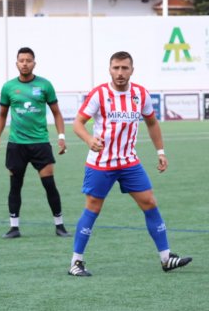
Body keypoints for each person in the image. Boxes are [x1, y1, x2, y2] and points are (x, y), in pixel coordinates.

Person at [68, 51, 192, 277]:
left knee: (150, 202)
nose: (120, 73)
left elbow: (152, 123)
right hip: (101, 164)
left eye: (125, 68)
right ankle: (76, 262)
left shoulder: (140, 94)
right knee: (93, 208)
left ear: (132, 70)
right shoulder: (100, 94)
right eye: (116, 68)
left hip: (129, 162)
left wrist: (160, 151)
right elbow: (77, 123)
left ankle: (166, 258)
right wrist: (89, 139)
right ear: (110, 69)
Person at [0, 47, 69, 239]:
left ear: (34, 63)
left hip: (40, 143)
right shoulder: (8, 87)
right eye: (21, 60)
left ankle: (59, 225)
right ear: (16, 63)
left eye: (28, 60)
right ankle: (14, 227)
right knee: (15, 185)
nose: (25, 63)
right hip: (16, 145)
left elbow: (57, 113)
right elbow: (2, 115)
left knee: (49, 185)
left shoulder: (45, 85)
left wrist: (61, 137)